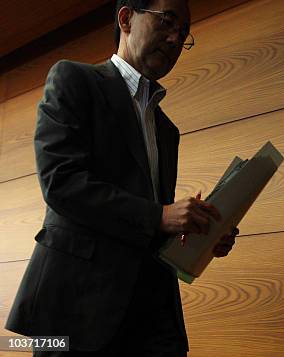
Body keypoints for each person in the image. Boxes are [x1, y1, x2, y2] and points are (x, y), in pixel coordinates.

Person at [4, 0, 238, 355]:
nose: (175, 38)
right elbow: (61, 183)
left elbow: (150, 226)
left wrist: (201, 234)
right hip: (76, 311)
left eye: (184, 33)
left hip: (153, 316)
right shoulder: (73, 79)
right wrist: (160, 215)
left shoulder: (166, 129)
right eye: (168, 21)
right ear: (126, 18)